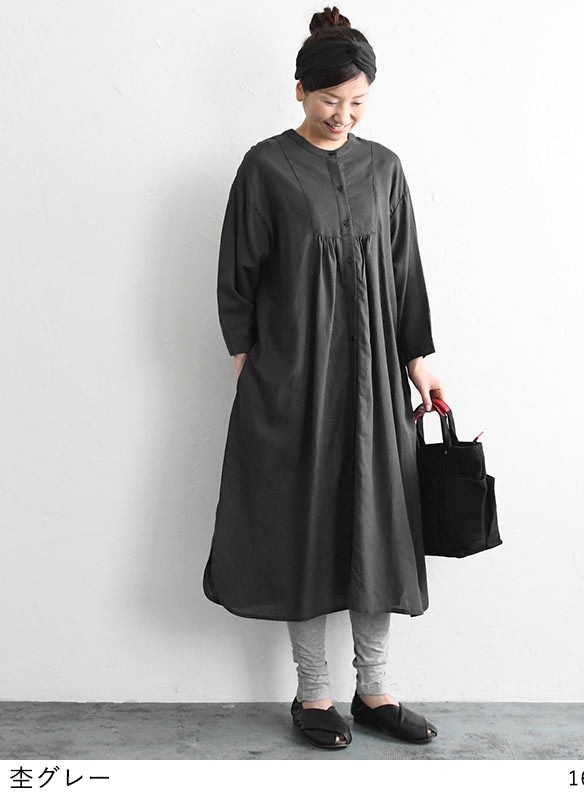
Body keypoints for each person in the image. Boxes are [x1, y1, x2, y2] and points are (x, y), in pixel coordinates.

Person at [203, 5, 446, 749]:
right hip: (294, 381)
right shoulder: (264, 167)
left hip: (375, 382)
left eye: (358, 103)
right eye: (330, 100)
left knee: (379, 527)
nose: (343, 115)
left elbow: (404, 271)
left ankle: (374, 691)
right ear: (300, 91)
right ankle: (313, 694)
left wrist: (420, 364)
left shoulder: (386, 169)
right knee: (300, 526)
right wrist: (251, 366)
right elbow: (238, 276)